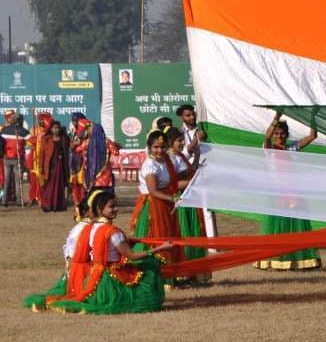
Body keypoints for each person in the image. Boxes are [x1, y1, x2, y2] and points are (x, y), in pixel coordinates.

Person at [24, 189, 170, 314]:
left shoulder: (92, 227)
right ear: (100, 210)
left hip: (96, 274)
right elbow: (131, 256)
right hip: (112, 274)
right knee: (150, 265)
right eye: (111, 207)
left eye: (115, 206)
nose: (115, 209)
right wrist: (159, 249)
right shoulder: (113, 232)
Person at [259, 111, 321, 270]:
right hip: (277, 194)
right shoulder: (269, 149)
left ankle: (299, 261)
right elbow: (266, 137)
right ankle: (277, 260)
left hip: (295, 194)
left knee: (295, 228)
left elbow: (312, 136)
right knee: (278, 228)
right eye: (277, 133)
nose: (279, 136)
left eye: (282, 133)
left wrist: (313, 115)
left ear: (287, 135)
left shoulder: (292, 148)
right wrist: (277, 116)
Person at [130, 130, 182, 265]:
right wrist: (172, 199)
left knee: (169, 235)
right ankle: (155, 273)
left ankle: (172, 272)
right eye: (156, 147)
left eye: (163, 147)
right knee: (156, 236)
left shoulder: (165, 161)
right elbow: (153, 191)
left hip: (165, 203)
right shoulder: (150, 165)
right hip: (153, 205)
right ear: (149, 147)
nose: (159, 150)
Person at [167, 127, 212, 276]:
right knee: (184, 231)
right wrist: (194, 180)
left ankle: (195, 270)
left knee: (194, 231)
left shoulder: (179, 155)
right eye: (179, 141)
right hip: (179, 199)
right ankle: (184, 271)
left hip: (189, 197)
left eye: (182, 140)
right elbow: (172, 184)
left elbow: (190, 171)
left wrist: (198, 157)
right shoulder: (169, 159)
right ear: (170, 142)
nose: (181, 144)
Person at [2, 109, 29, 206]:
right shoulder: (23, 131)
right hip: (17, 158)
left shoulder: (4, 130)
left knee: (7, 180)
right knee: (18, 181)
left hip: (6, 158)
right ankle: (18, 201)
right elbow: (33, 141)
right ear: (20, 120)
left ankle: (4, 201)